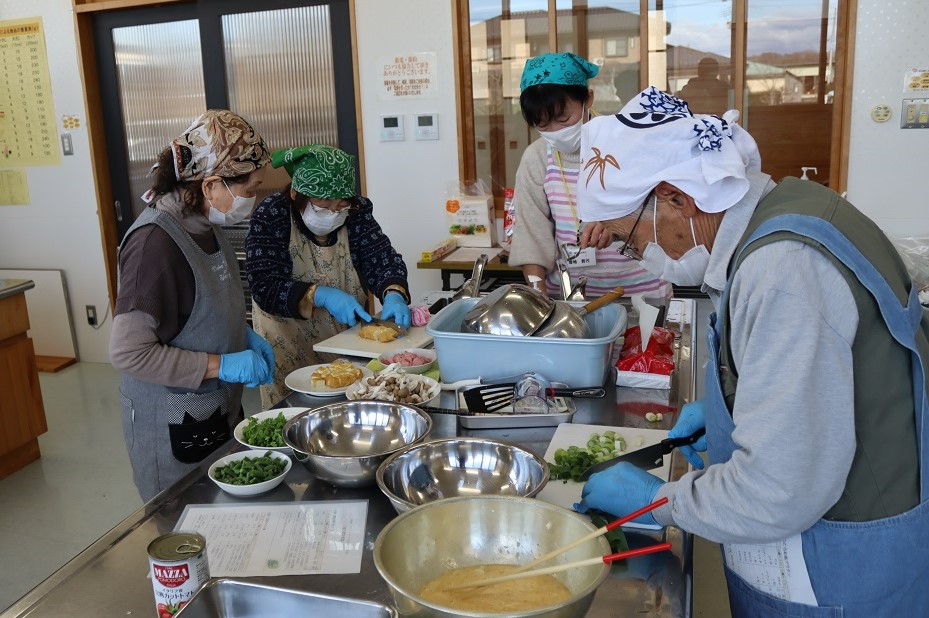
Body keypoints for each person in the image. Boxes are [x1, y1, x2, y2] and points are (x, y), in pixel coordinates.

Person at [574, 87, 929, 615]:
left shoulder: (782, 270)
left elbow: (779, 491)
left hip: (837, 575)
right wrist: (734, 407)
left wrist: (657, 502)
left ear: (677, 197)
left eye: (631, 239)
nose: (643, 255)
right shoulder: (792, 209)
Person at [110, 109, 276, 502]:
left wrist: (241, 335)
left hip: (217, 411)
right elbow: (128, 352)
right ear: (211, 185)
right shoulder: (154, 247)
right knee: (183, 522)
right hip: (172, 424)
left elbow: (198, 310)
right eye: (251, 189)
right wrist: (223, 364)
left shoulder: (207, 226)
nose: (253, 199)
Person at [245, 144, 411, 408]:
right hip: (288, 348)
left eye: (340, 206)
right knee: (295, 417)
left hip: (346, 346)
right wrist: (319, 295)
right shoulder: (272, 214)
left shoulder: (356, 213)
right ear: (296, 193)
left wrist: (393, 292)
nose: (333, 213)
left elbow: (381, 257)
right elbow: (265, 285)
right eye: (323, 206)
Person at [508, 52, 671, 299]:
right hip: (570, 299)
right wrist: (539, 297)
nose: (556, 131)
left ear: (588, 99)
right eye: (542, 124)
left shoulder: (627, 140)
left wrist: (617, 225)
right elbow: (531, 235)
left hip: (641, 293)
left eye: (564, 119)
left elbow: (666, 210)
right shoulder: (537, 158)